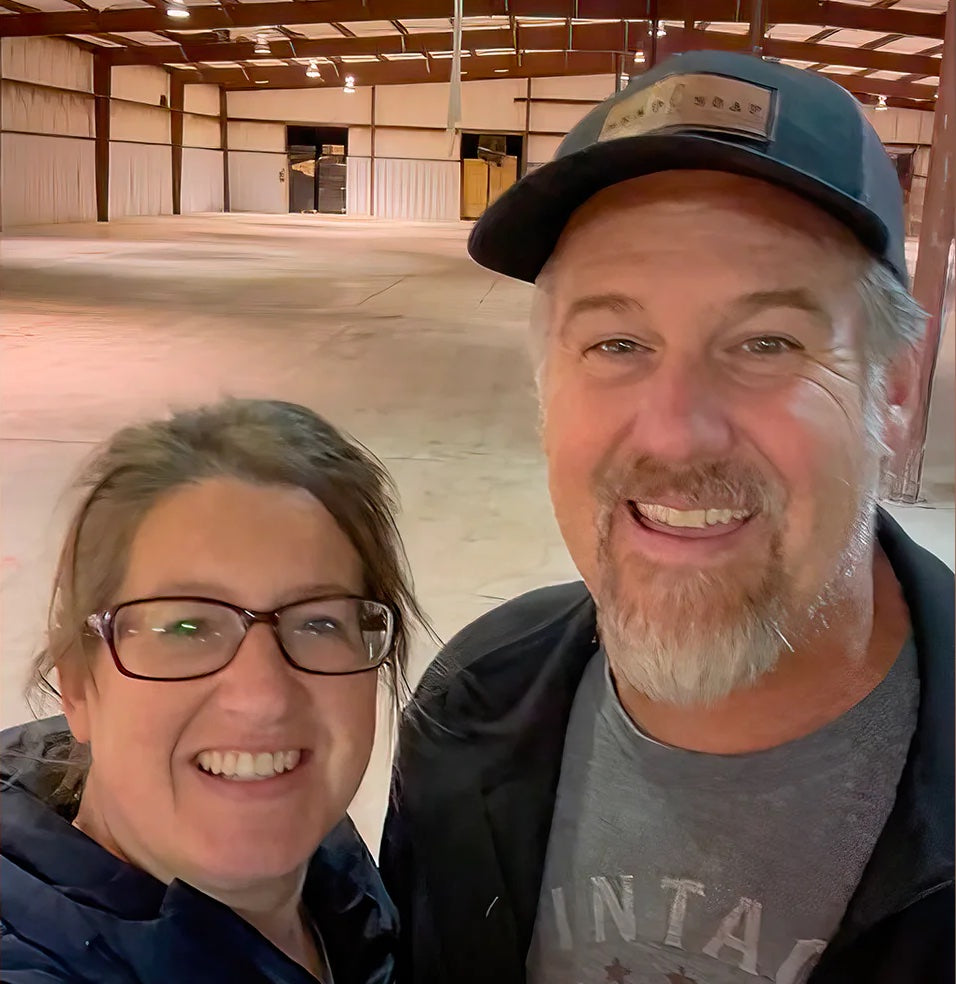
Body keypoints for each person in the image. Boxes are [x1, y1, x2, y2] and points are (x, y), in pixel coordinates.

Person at [381, 50, 954, 984]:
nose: (677, 434)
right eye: (616, 342)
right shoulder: (467, 714)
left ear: (890, 393)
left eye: (767, 342)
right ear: (544, 390)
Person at [2, 398, 426, 984]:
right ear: (78, 686)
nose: (264, 697)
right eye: (185, 627)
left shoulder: (333, 870)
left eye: (319, 623)